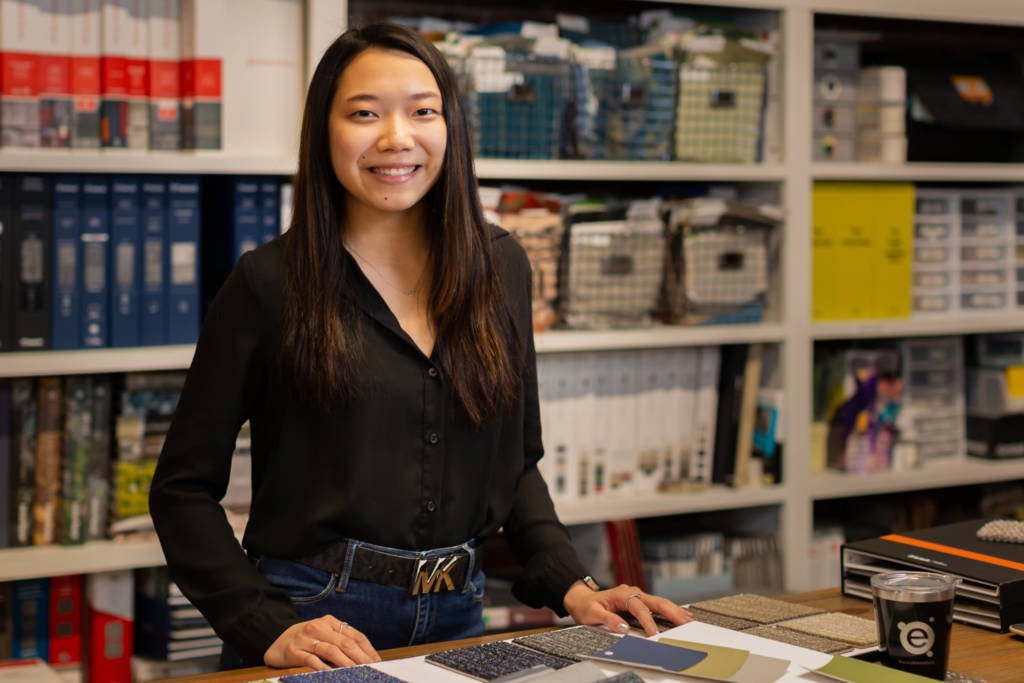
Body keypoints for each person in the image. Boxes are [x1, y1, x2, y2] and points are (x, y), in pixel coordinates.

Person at [149, 21, 691, 672]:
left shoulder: (501, 267)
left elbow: (513, 464)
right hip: (315, 617)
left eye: (422, 112)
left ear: (450, 128)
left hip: (461, 612)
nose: (396, 138)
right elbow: (181, 488)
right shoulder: (269, 284)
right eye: (364, 113)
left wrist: (574, 584)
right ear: (325, 130)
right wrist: (262, 621)